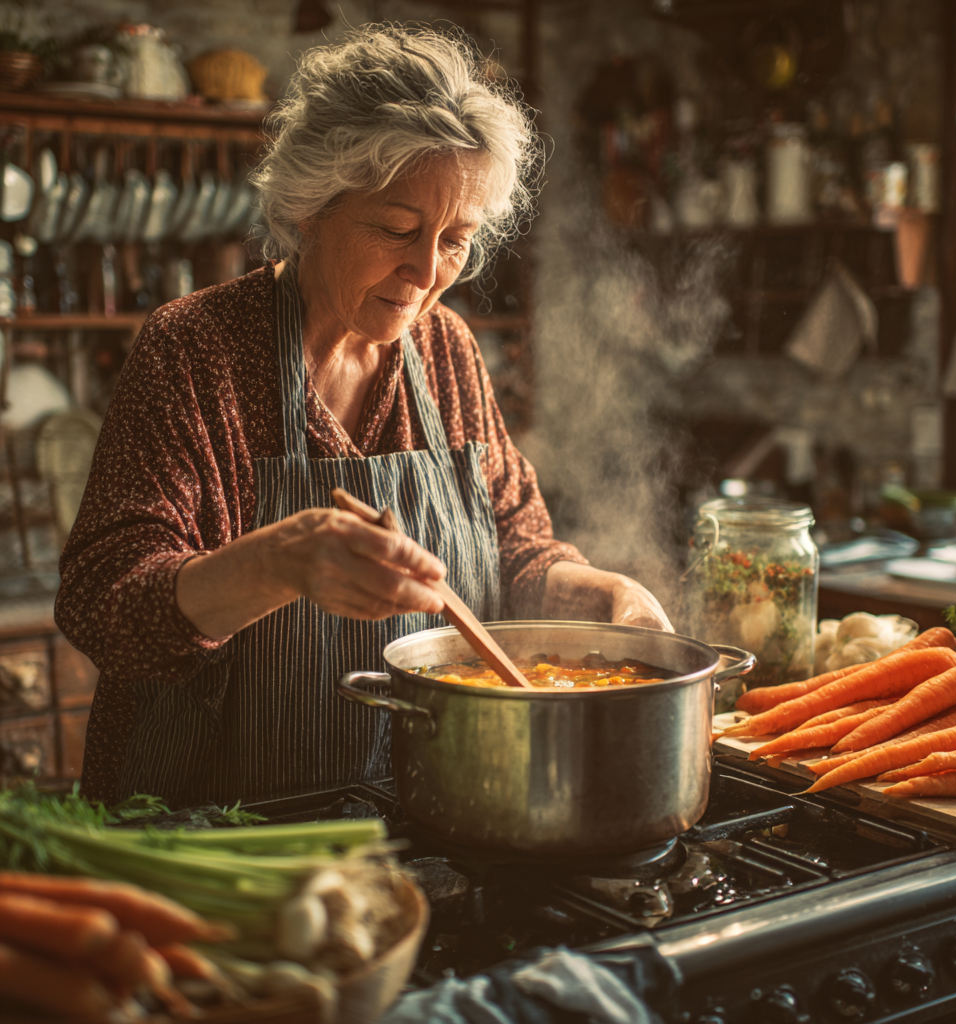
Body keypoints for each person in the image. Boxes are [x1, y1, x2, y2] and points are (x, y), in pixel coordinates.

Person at [56, 23, 673, 808]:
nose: (424, 274)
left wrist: (606, 602)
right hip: (214, 833)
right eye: (396, 229)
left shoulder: (446, 349)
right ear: (312, 205)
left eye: (456, 240)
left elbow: (517, 553)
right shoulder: (195, 349)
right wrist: (277, 564)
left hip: (418, 809)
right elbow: (102, 603)